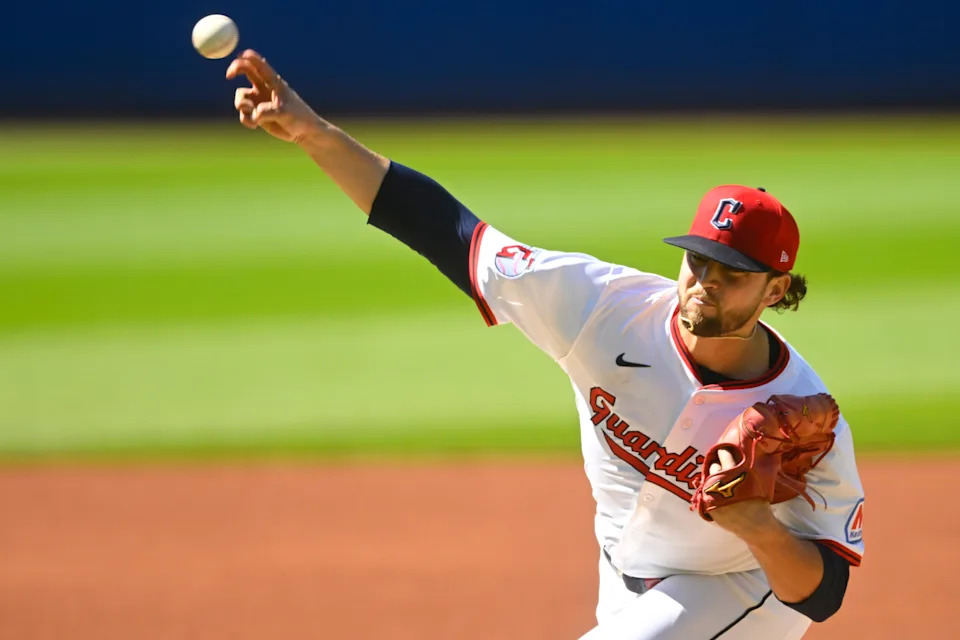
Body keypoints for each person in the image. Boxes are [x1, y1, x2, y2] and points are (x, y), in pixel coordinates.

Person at [225, 50, 865, 639]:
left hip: (737, 590)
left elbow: (823, 593)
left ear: (777, 290)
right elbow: (448, 231)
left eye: (734, 274)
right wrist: (314, 135)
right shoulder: (601, 308)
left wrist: (755, 526)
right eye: (699, 261)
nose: (706, 284)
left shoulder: (804, 415)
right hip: (622, 579)